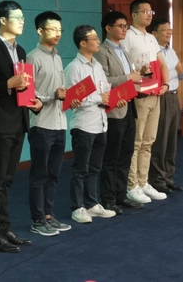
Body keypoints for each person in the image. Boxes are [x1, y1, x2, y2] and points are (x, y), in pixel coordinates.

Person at [0, 0, 42, 253]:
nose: (22, 22)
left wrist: (33, 102)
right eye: (17, 18)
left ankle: (4, 228)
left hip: (18, 122)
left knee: (7, 180)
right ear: (3, 20)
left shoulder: (21, 50)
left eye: (23, 17)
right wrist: (7, 84)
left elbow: (22, 86)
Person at [119, 0, 170, 205]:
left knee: (149, 141)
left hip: (155, 94)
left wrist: (166, 84)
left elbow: (162, 63)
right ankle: (132, 185)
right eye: (145, 11)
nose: (149, 14)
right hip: (138, 95)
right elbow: (123, 67)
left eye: (151, 11)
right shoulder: (128, 37)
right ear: (134, 14)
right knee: (136, 141)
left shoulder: (150, 38)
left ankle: (144, 181)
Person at [64, 25, 116, 224]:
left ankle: (92, 203)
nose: (97, 41)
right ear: (83, 43)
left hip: (101, 123)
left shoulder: (97, 66)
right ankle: (77, 208)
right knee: (81, 169)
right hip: (84, 125)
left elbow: (104, 91)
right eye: (93, 38)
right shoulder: (74, 68)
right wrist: (99, 98)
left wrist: (110, 99)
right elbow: (72, 99)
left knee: (95, 167)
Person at [26, 11, 71, 236]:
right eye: (52, 29)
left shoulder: (57, 57)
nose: (57, 34)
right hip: (41, 124)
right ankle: (37, 219)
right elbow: (28, 94)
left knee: (53, 174)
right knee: (39, 175)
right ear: (40, 30)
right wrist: (52, 95)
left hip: (59, 123)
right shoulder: (33, 57)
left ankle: (48, 215)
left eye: (59, 30)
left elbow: (60, 91)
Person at [94, 11, 143, 214]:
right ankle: (108, 198)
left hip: (129, 106)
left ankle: (121, 195)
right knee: (111, 156)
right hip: (114, 110)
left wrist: (137, 79)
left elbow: (130, 76)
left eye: (126, 26)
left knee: (126, 153)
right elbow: (104, 81)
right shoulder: (102, 51)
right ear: (108, 28)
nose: (124, 30)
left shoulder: (124, 50)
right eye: (121, 26)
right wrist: (130, 77)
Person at [149, 18, 183, 193]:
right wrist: (179, 69)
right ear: (154, 33)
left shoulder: (171, 50)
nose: (169, 33)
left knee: (171, 141)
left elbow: (179, 75)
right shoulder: (152, 52)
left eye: (170, 29)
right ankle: (157, 180)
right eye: (165, 30)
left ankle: (169, 178)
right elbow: (160, 76)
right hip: (162, 97)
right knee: (160, 140)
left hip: (174, 96)